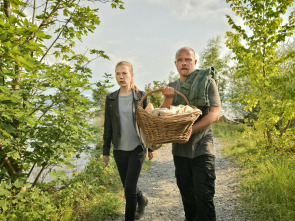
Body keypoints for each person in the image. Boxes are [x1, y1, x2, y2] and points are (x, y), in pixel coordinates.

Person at [161, 47, 221, 221]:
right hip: (180, 152)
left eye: (188, 59)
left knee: (204, 197)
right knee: (188, 198)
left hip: (203, 149)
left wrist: (191, 129)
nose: (184, 63)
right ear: (175, 64)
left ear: (195, 62)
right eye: (180, 60)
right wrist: (168, 98)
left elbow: (215, 114)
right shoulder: (171, 87)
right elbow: (163, 118)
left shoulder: (207, 83)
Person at [102, 61, 154, 221]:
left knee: (129, 189)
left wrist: (151, 148)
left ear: (131, 75)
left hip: (138, 148)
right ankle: (142, 200)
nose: (121, 76)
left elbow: (149, 124)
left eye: (124, 73)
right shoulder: (111, 98)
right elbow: (108, 125)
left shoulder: (141, 96)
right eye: (118, 73)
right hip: (119, 150)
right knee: (127, 186)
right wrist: (105, 151)